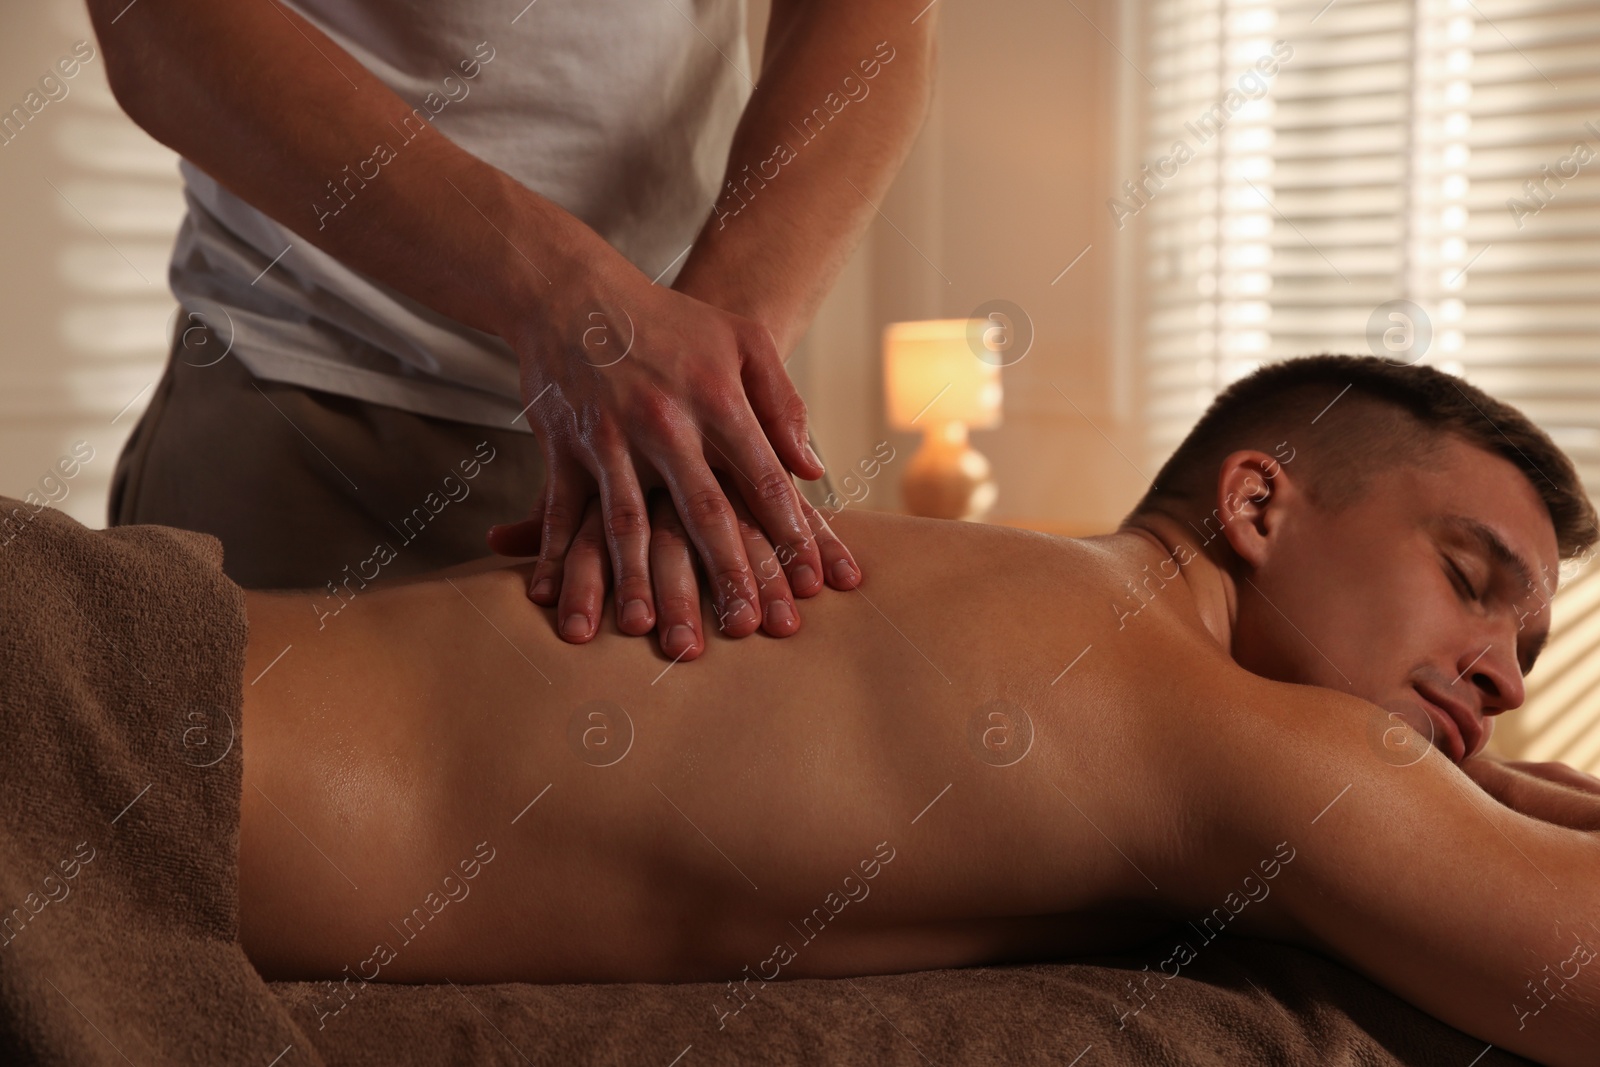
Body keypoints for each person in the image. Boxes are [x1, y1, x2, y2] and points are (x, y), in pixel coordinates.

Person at [235, 355, 1600, 1066]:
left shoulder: (1057, 613)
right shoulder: (1194, 709)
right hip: (102, 714)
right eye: (1473, 584)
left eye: (1530, 649)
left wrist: (1475, 790)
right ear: (1254, 504)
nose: (1506, 673)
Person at [87, 0, 937, 660]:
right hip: (305, 420)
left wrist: (694, 384)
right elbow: (158, 24)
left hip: (699, 417)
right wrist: (560, 294)